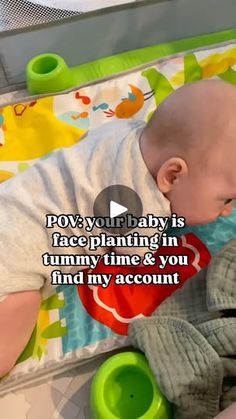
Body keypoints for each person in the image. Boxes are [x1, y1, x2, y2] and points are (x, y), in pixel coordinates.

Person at [0, 79, 235, 378]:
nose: (226, 211)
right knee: (20, 312)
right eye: (225, 199)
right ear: (173, 176)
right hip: (13, 256)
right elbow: (134, 255)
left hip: (9, 202)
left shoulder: (124, 128)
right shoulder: (141, 211)